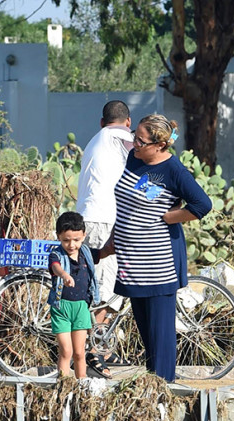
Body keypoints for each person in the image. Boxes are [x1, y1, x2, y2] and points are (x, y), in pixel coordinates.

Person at [109, 114, 212, 382]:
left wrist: (169, 217)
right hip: (132, 262)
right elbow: (132, 200)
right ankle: (151, 385)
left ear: (160, 145)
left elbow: (202, 205)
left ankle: (164, 387)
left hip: (158, 263)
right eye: (135, 137)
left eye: (141, 141)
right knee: (146, 333)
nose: (135, 144)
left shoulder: (174, 171)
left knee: (161, 334)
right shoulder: (136, 159)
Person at [76, 100, 134, 327]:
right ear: (128, 122)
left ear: (102, 122)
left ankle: (101, 348)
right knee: (109, 287)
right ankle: (94, 346)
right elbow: (145, 165)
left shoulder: (95, 140)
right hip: (105, 220)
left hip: (87, 218)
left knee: (96, 284)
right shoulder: (124, 138)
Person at [47, 211, 103, 378]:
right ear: (59, 237)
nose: (71, 245)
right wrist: (64, 274)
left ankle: (82, 384)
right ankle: (62, 385)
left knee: (79, 352)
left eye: (76, 240)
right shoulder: (56, 254)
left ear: (83, 236)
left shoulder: (86, 253)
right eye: (66, 240)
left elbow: (104, 252)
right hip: (61, 308)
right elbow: (55, 266)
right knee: (66, 351)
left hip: (81, 307)